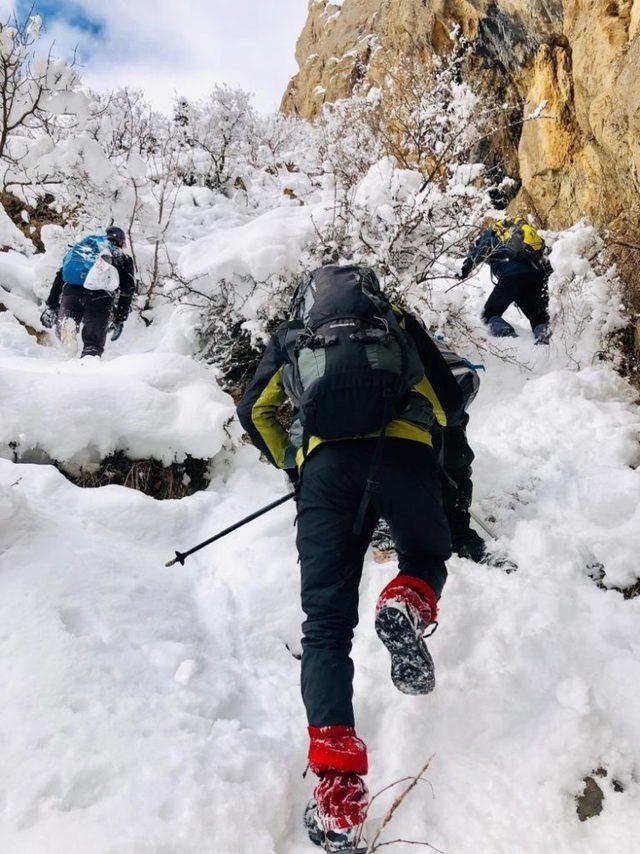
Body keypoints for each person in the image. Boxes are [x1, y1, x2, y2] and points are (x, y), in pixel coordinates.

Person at [237, 265, 464, 853]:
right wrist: (434, 462)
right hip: (404, 455)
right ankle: (406, 602)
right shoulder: (395, 326)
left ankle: (339, 797)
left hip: (325, 473)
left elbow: (254, 412)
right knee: (425, 553)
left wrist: (297, 464)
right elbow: (447, 402)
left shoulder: (294, 336)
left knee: (327, 627)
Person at [40, 226, 135, 357]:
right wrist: (120, 318)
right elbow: (127, 290)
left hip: (71, 294)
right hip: (99, 298)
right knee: (93, 345)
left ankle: (67, 326)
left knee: (67, 324)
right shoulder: (121, 257)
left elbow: (60, 278)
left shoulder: (83, 252)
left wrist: (51, 305)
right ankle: (89, 360)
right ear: (121, 242)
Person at [460, 216, 552, 344]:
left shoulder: (490, 234)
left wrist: (463, 271)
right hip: (535, 276)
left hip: (511, 278)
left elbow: (479, 252)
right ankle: (545, 341)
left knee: (490, 314)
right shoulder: (517, 234)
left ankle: (510, 341)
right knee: (538, 316)